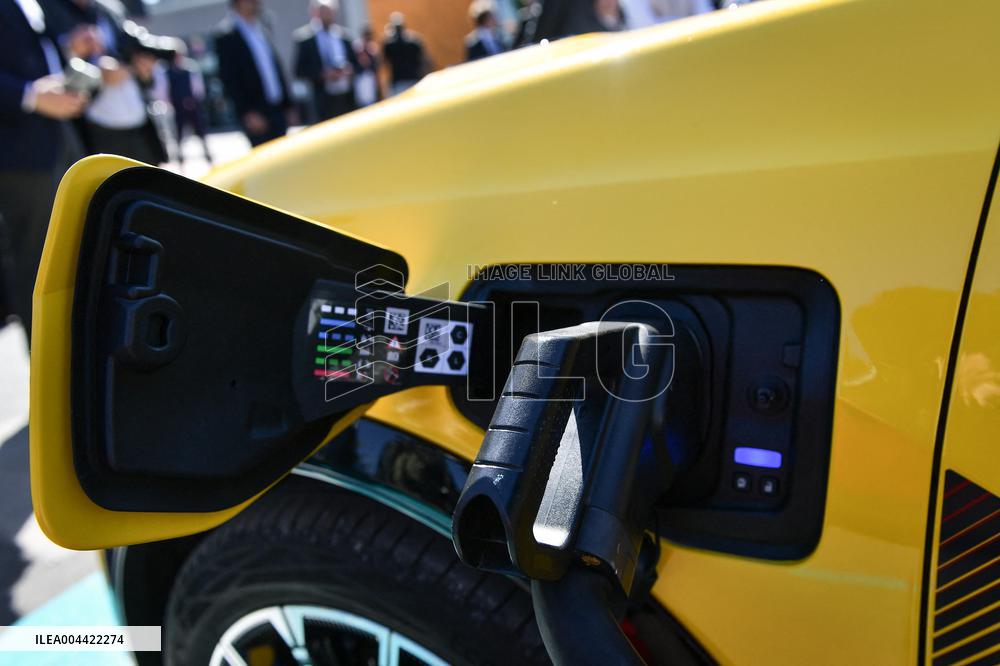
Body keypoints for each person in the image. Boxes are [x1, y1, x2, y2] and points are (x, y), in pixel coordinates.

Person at [0, 0, 86, 337]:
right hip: (19, 150)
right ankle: (46, 356)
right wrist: (30, 96)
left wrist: (68, 51)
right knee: (36, 259)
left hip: (59, 138)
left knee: (73, 247)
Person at [48, 0, 174, 164]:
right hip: (98, 131)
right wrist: (95, 73)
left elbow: (135, 56)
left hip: (140, 124)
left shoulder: (111, 11)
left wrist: (143, 71)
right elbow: (50, 75)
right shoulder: (50, 11)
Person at [215, 0, 294, 146]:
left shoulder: (263, 27)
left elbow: (275, 67)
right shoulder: (227, 35)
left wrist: (288, 105)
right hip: (256, 114)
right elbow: (229, 79)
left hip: (277, 109)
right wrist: (247, 113)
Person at [293, 0, 358, 122]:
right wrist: (323, 74)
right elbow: (299, 70)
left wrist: (348, 71)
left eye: (329, 12)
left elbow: (357, 64)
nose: (327, 15)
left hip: (346, 98)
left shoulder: (345, 36)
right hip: (322, 101)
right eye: (323, 12)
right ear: (315, 13)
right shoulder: (305, 39)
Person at [166, 45, 212, 166]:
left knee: (200, 130)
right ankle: (180, 157)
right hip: (178, 107)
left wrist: (195, 100)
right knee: (179, 133)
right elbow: (165, 90)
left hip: (193, 105)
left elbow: (198, 88)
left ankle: (207, 153)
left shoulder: (190, 69)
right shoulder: (168, 71)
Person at [381, 12, 427, 96]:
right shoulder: (414, 41)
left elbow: (384, 62)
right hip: (414, 80)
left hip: (398, 82)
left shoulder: (389, 44)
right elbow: (423, 61)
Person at [352, 25, 381, 108]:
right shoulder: (358, 47)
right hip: (362, 78)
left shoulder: (373, 47)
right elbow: (362, 63)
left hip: (371, 78)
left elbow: (376, 65)